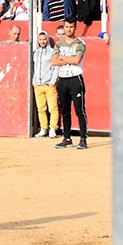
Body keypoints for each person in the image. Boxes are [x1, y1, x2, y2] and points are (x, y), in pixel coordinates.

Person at [52, 18, 88, 150]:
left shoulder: (80, 43)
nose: (68, 29)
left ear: (75, 28)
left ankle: (83, 138)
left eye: (71, 27)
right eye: (66, 27)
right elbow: (53, 62)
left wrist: (62, 58)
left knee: (80, 110)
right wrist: (69, 60)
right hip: (62, 79)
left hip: (75, 79)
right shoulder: (59, 44)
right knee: (65, 110)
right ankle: (67, 138)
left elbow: (77, 60)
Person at [32, 30, 59, 138]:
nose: (42, 41)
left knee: (52, 107)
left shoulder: (52, 52)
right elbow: (33, 68)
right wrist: (34, 81)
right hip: (38, 85)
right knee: (41, 108)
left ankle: (53, 128)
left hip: (49, 84)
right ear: (38, 41)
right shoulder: (35, 52)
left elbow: (55, 67)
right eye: (40, 39)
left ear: (47, 40)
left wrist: (53, 81)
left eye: (44, 39)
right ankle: (44, 128)